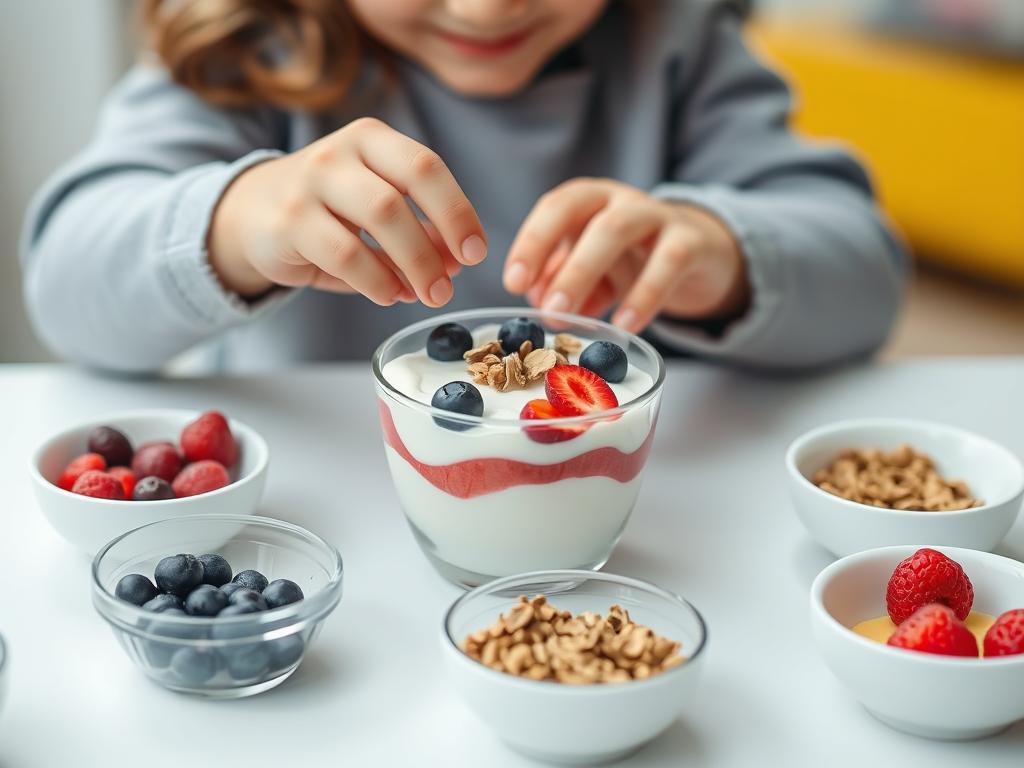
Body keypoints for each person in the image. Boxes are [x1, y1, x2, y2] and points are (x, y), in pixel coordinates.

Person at [20, 0, 905, 373]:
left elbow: (867, 278)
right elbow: (63, 289)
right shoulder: (254, 48)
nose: (486, 9)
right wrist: (235, 222)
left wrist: (721, 253)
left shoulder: (676, 42)